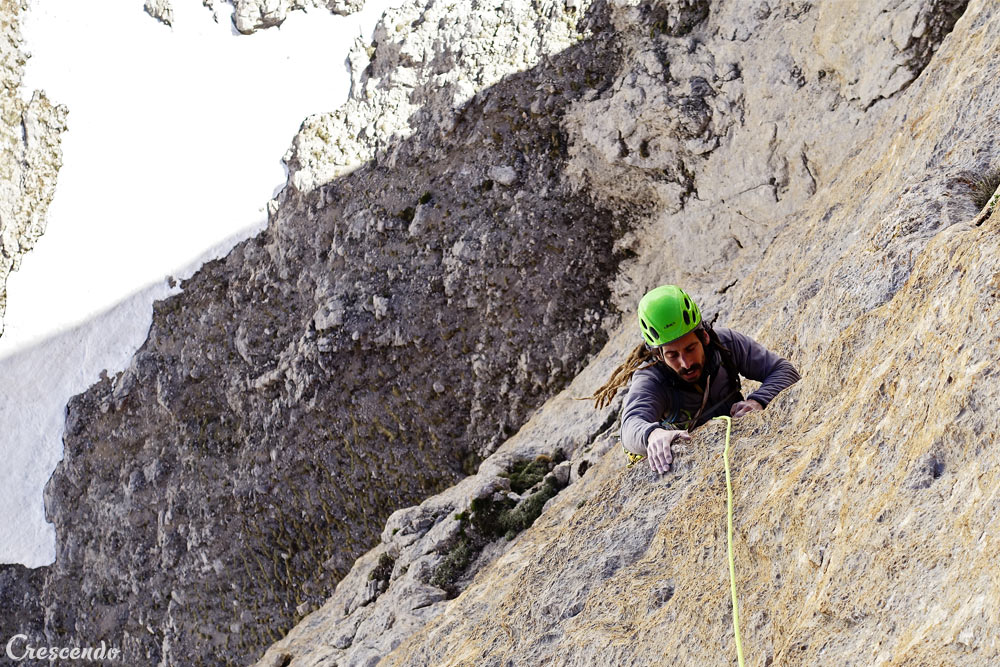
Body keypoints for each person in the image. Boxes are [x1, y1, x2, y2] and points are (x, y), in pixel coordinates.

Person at [590, 285, 800, 473]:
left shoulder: (724, 344)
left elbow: (783, 370)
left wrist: (757, 400)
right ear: (659, 355)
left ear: (704, 337)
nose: (686, 363)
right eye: (673, 355)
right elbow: (629, 428)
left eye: (690, 348)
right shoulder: (652, 378)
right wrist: (653, 435)